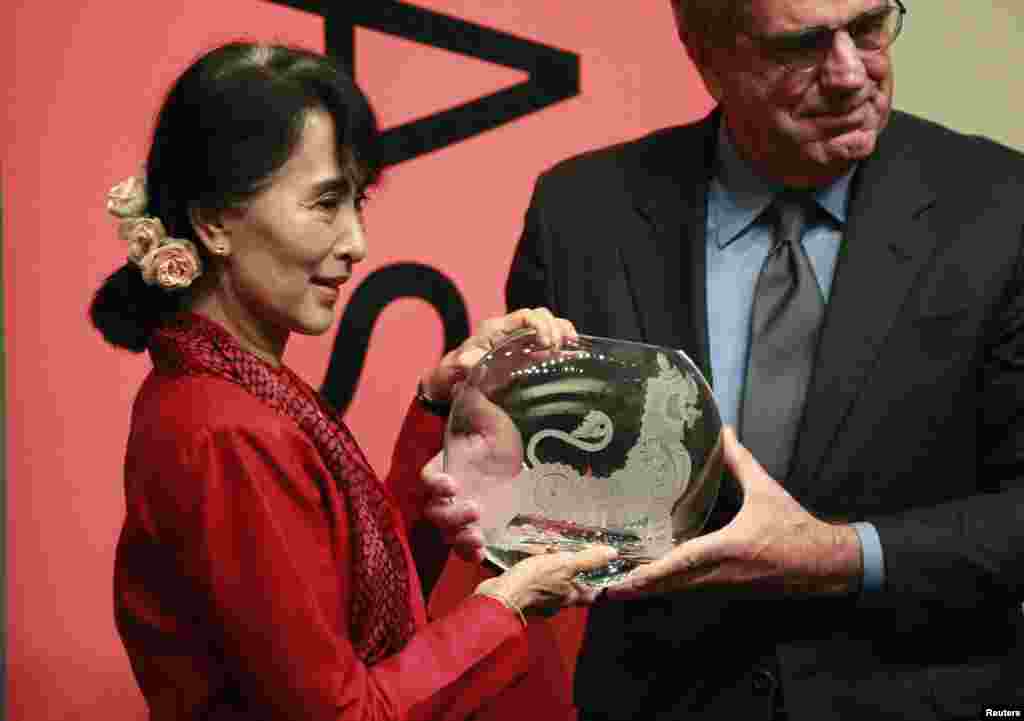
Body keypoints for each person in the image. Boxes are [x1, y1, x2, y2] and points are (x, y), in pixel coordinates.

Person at [503, 1, 1024, 719]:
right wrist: (479, 466)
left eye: (869, 26)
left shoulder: (1001, 209)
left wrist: (838, 554)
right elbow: (541, 483)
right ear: (704, 51)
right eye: (802, 45)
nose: (849, 74)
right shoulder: (584, 215)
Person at [90, 41, 616, 721]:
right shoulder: (227, 428)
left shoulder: (235, 387)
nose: (357, 242)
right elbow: (348, 711)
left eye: (357, 201)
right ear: (214, 220)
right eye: (325, 204)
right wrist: (507, 603)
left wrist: (438, 402)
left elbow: (348, 604)